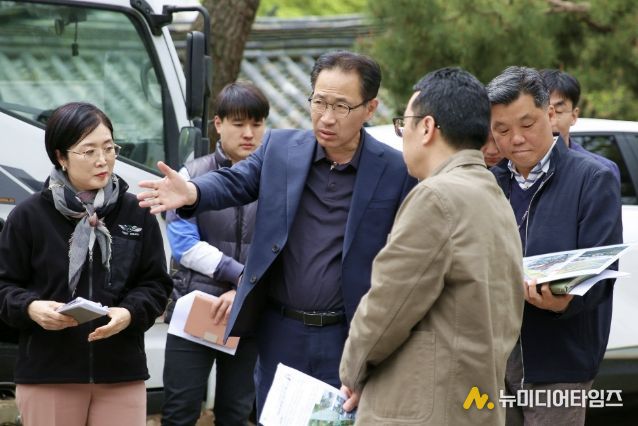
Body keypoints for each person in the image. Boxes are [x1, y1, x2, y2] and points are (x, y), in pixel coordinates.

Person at [137, 50, 416, 415]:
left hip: (348, 335)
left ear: (370, 108)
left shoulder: (396, 170)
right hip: (280, 329)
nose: (326, 117)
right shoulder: (281, 149)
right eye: (319, 102)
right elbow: (234, 181)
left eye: (341, 106)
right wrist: (193, 192)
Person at [338, 67, 525, 425]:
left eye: (403, 125)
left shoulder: (436, 198)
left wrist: (352, 371)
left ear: (426, 127)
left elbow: (387, 307)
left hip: (425, 407)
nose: (402, 136)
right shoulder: (492, 194)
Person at [0, 102, 172, 426]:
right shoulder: (28, 216)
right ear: (61, 157)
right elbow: (4, 286)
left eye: (109, 148)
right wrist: (31, 308)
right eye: (88, 151)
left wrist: (129, 313)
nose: (102, 159)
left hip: (121, 373)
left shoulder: (137, 213)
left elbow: (155, 284)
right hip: (48, 374)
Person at [486, 66, 622, 425]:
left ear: (549, 114)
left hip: (559, 359)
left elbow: (603, 268)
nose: (516, 139)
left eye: (527, 124)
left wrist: (565, 302)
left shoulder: (592, 177)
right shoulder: (488, 183)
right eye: (502, 130)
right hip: (493, 359)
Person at [161, 81, 269, 426]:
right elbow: (184, 246)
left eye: (257, 123)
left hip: (248, 312)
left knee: (235, 414)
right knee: (180, 411)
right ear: (218, 124)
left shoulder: (278, 181)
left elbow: (283, 248)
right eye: (239, 123)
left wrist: (243, 290)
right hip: (194, 307)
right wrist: (242, 276)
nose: (249, 133)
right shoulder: (190, 175)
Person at [539, 68, 620, 181]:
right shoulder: (517, 168)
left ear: (574, 116)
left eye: (558, 111)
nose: (550, 120)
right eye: (544, 111)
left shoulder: (600, 171)